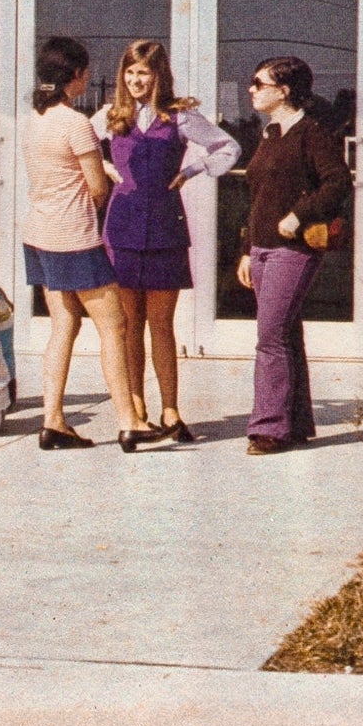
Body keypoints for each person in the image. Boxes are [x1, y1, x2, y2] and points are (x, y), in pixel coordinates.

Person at [92, 39, 240, 445]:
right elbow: (78, 149)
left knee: (160, 324)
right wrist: (103, 166)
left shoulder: (180, 117)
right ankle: (135, 408)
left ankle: (171, 409)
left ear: (159, 76)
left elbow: (230, 146)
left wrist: (193, 168)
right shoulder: (109, 115)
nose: (136, 80)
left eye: (144, 72)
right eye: (130, 71)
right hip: (121, 226)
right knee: (127, 325)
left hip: (164, 227)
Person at [21, 35, 144, 451]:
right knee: (115, 326)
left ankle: (52, 420)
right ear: (75, 76)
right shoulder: (75, 123)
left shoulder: (33, 120)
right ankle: (129, 421)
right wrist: (106, 176)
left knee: (64, 324)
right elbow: (95, 188)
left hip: (39, 234)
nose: (89, 77)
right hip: (74, 238)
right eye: (86, 71)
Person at [234, 55, 349, 456]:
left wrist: (299, 215)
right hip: (263, 249)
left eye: (258, 82)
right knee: (285, 335)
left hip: (293, 249)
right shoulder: (269, 136)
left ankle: (268, 429)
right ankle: (295, 423)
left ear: (283, 91)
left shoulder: (311, 134)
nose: (251, 89)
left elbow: (337, 183)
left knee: (270, 337)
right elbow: (257, 199)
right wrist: (247, 249)